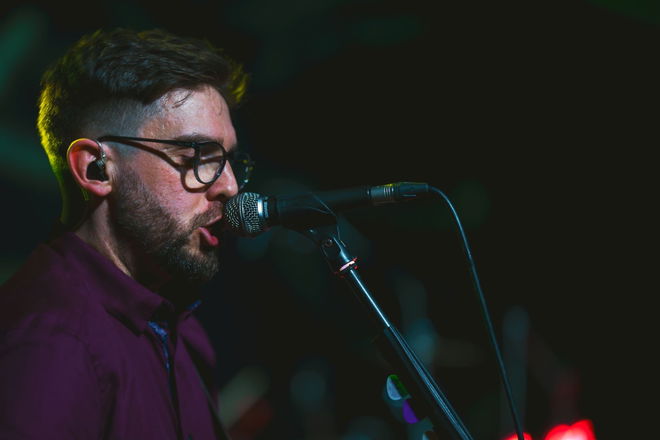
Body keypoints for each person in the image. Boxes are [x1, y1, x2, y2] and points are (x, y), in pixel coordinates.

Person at [0, 27, 253, 439]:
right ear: (96, 169)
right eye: (196, 157)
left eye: (227, 160)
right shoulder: (50, 343)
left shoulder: (178, 325)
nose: (230, 187)